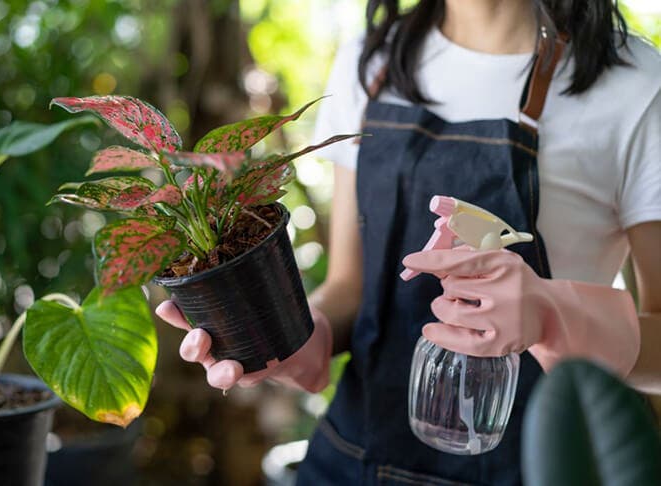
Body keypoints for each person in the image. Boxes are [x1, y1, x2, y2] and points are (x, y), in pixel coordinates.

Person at [156, 0, 661, 483]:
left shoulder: (636, 85)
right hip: (352, 459)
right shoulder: (373, 59)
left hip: (537, 464)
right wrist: (297, 342)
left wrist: (556, 316)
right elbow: (351, 289)